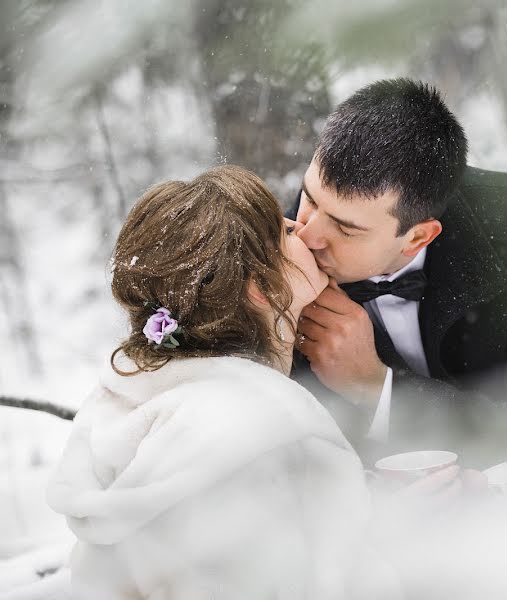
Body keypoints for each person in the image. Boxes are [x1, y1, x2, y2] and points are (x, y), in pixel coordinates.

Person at [46, 166, 398, 599]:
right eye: (284, 231)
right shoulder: (271, 433)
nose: (302, 229)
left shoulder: (126, 404)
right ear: (260, 289)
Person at [288, 78, 507, 475]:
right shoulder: (278, 252)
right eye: (310, 198)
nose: (307, 234)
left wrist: (376, 387)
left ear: (418, 236)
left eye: (346, 228)